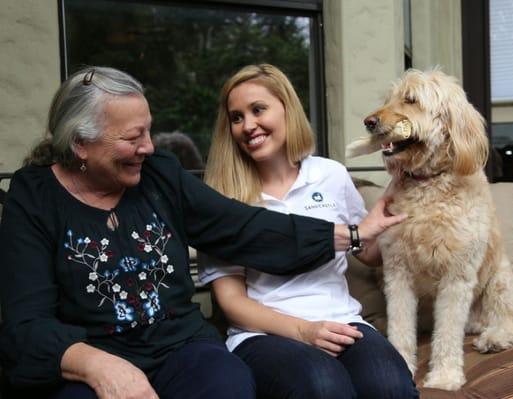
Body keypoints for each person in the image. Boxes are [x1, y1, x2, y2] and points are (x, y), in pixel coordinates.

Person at [0, 66, 405, 399]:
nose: (147, 146)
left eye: (147, 131)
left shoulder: (159, 174)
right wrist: (99, 366)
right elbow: (25, 324)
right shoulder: (34, 198)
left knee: (230, 385)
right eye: (131, 137)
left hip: (179, 346)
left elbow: (244, 228)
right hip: (88, 350)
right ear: (80, 144)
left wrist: (353, 233)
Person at [201, 64, 418, 399]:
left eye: (258, 110)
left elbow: (369, 254)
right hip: (262, 335)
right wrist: (304, 331)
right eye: (237, 117)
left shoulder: (330, 174)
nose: (248, 125)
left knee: (390, 388)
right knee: (323, 387)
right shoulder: (221, 198)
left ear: (287, 110)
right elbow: (231, 303)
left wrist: (394, 220)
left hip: (342, 320)